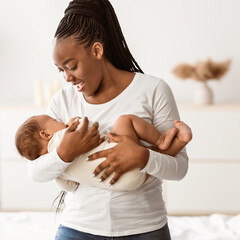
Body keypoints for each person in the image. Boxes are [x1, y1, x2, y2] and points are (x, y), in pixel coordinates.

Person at [28, 0, 189, 238]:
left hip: (144, 229)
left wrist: (143, 157)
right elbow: (36, 172)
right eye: (60, 70)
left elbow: (180, 168)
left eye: (71, 66)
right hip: (78, 228)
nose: (67, 78)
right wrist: (64, 154)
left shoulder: (153, 89)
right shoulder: (62, 101)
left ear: (96, 50)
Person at [16, 114, 192, 192]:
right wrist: (73, 122)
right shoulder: (64, 135)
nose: (60, 120)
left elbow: (71, 187)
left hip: (124, 184)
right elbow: (92, 127)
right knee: (125, 121)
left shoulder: (57, 172)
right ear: (45, 134)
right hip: (126, 160)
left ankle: (180, 141)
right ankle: (162, 139)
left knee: (143, 155)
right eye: (55, 120)